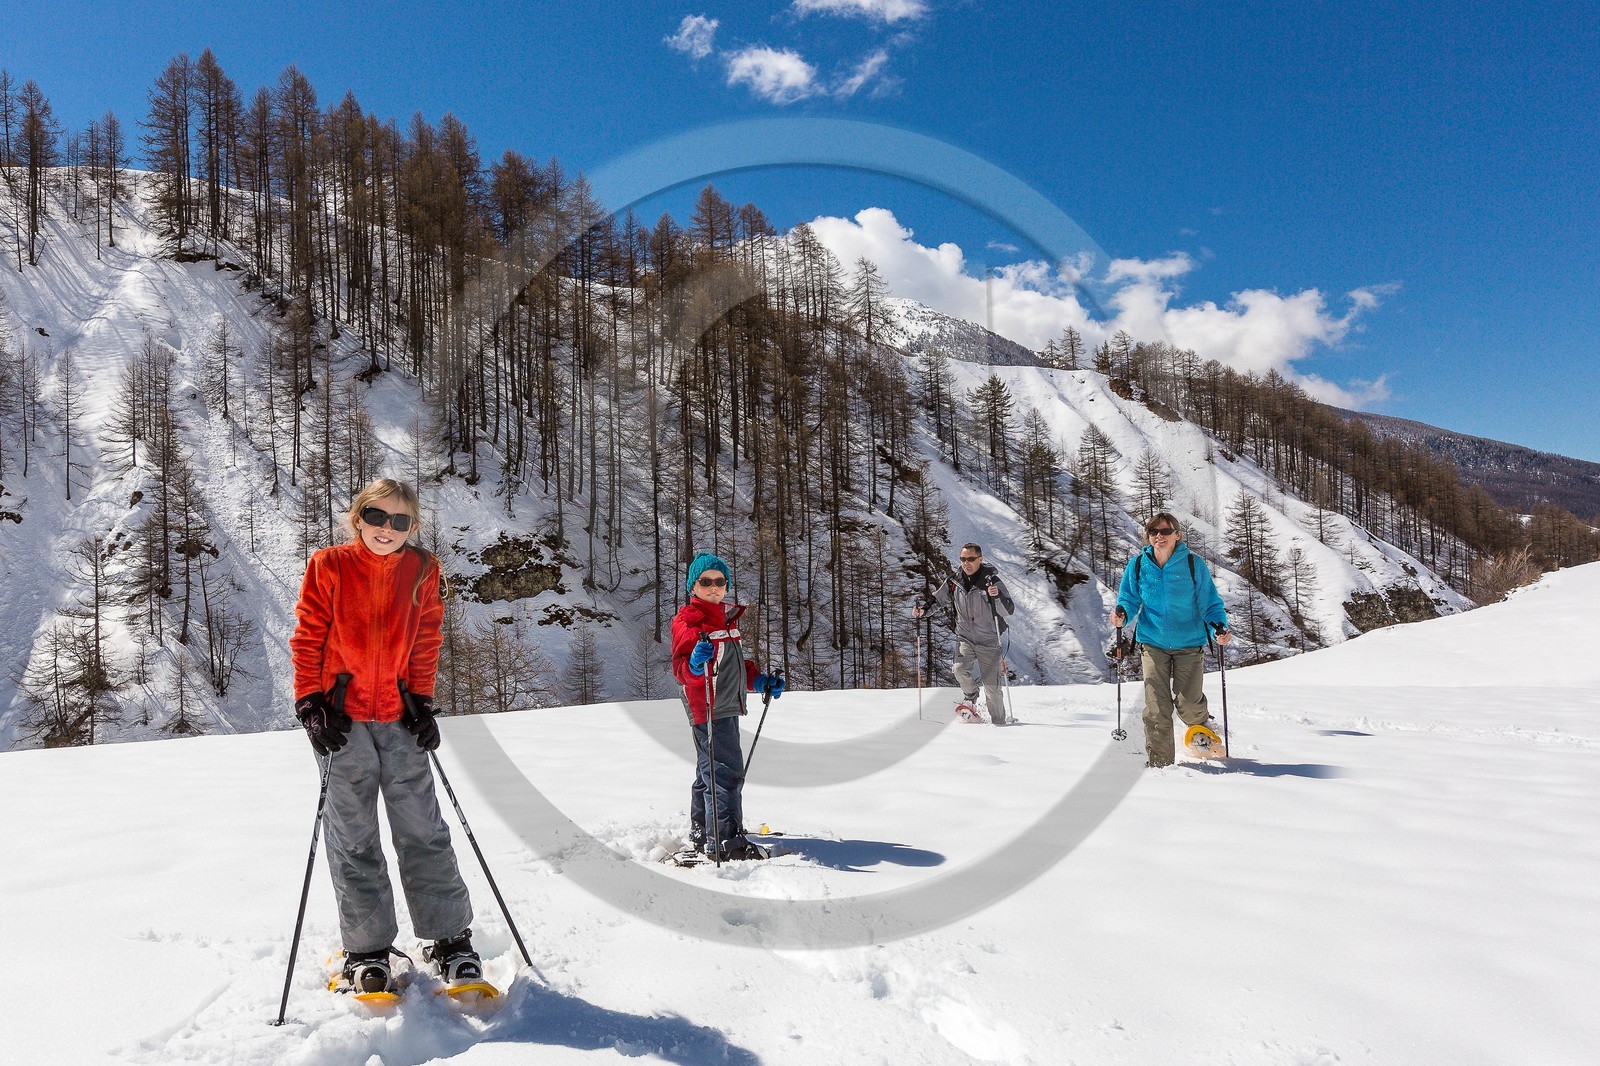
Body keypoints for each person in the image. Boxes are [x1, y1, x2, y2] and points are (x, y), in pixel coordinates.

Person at [289, 478, 481, 994]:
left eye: (400, 521)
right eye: (376, 517)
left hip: (399, 717)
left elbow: (426, 635)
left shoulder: (422, 568)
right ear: (358, 519)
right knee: (352, 835)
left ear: (412, 528)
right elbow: (309, 634)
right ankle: (367, 948)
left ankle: (448, 939)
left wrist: (421, 700)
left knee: (422, 825)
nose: (386, 529)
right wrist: (310, 702)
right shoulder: (328, 565)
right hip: (340, 721)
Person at [671, 551, 785, 860]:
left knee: (708, 770)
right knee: (726, 773)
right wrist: (694, 665)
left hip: (724, 702)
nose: (713, 587)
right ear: (692, 586)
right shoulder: (690, 620)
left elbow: (732, 665)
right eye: (705, 581)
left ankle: (703, 830)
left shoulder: (723, 617)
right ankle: (726, 843)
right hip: (708, 705)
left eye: (720, 581)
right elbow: (681, 668)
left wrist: (759, 681)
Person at [1110, 512, 1232, 767]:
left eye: (1165, 532)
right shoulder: (1138, 565)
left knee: (1188, 703)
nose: (1159, 536)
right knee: (1156, 706)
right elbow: (1130, 599)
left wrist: (1218, 628)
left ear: (1178, 535)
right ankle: (1160, 764)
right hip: (1152, 643)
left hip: (1189, 643)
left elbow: (1210, 603)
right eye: (1154, 532)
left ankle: (1201, 728)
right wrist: (1122, 613)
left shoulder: (1192, 564)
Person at [914, 543, 1016, 725]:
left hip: (989, 640)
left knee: (992, 689)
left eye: (970, 559)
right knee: (959, 669)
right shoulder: (954, 581)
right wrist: (924, 610)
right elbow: (938, 599)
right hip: (965, 638)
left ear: (980, 559)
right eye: (963, 559)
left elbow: (1008, 610)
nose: (966, 563)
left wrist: (997, 596)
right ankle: (971, 697)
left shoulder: (992, 582)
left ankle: (999, 724)